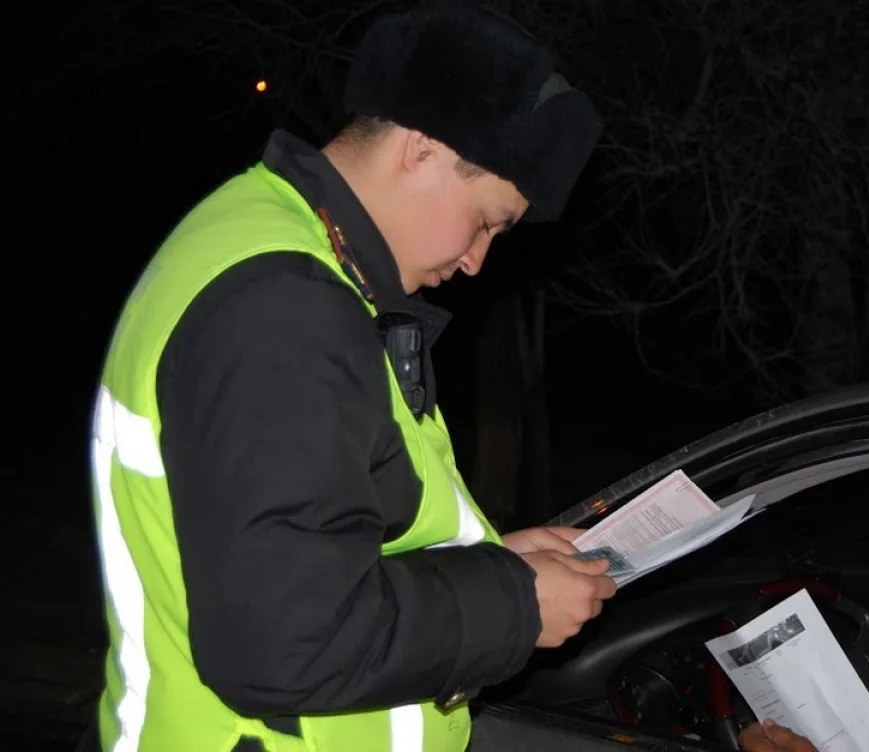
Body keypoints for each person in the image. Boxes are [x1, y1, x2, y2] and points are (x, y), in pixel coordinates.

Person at [85, 3, 616, 751]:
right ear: (423, 149)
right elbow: (286, 641)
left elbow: (327, 539)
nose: (477, 260)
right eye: (488, 220)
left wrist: (492, 566)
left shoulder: (285, 254)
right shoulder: (283, 307)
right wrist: (513, 606)